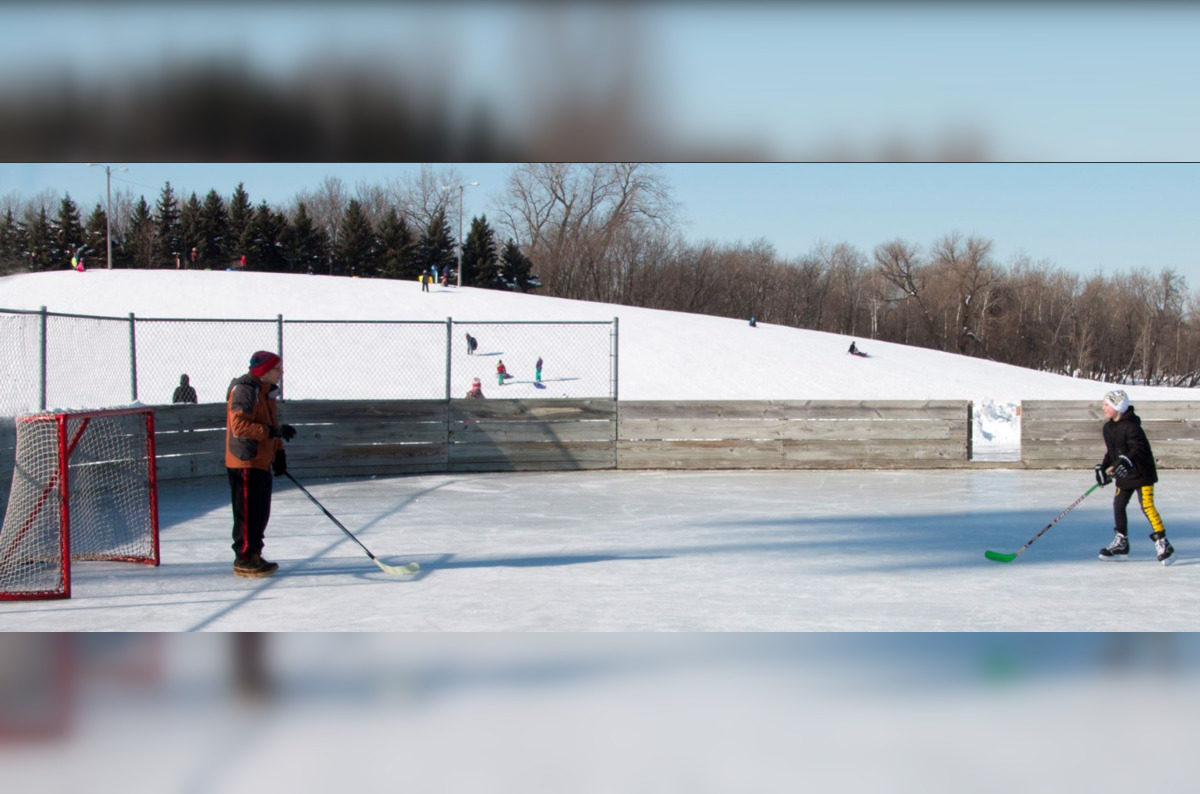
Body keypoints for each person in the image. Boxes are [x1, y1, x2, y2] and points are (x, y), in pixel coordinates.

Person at [225, 351, 296, 578]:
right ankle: (244, 558)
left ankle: (254, 554)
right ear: (264, 371)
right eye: (277, 368)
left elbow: (271, 424)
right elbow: (239, 427)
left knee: (260, 514)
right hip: (245, 460)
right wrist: (272, 433)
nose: (281, 372)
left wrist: (279, 452)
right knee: (248, 514)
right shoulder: (245, 390)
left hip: (262, 460)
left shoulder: (267, 391)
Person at [1095, 389, 1174, 564]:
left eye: (1107, 404)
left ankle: (1163, 542)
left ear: (1117, 406)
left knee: (1147, 505)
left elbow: (1138, 448)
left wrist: (1125, 461)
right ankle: (1121, 543)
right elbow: (1112, 452)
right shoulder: (1108, 428)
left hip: (1142, 473)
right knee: (1118, 504)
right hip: (1124, 475)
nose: (1103, 408)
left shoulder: (1132, 427)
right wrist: (1103, 467)